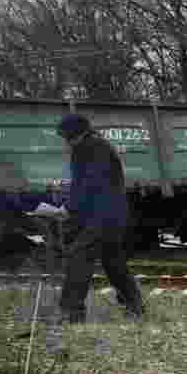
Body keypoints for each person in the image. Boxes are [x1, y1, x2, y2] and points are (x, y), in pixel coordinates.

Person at [54, 113, 144, 324]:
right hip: (110, 214)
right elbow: (87, 183)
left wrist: (70, 208)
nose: (65, 142)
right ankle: (134, 306)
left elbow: (90, 183)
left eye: (65, 137)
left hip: (103, 215)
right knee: (113, 262)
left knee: (80, 255)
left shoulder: (90, 147)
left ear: (74, 134)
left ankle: (71, 312)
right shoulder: (94, 146)